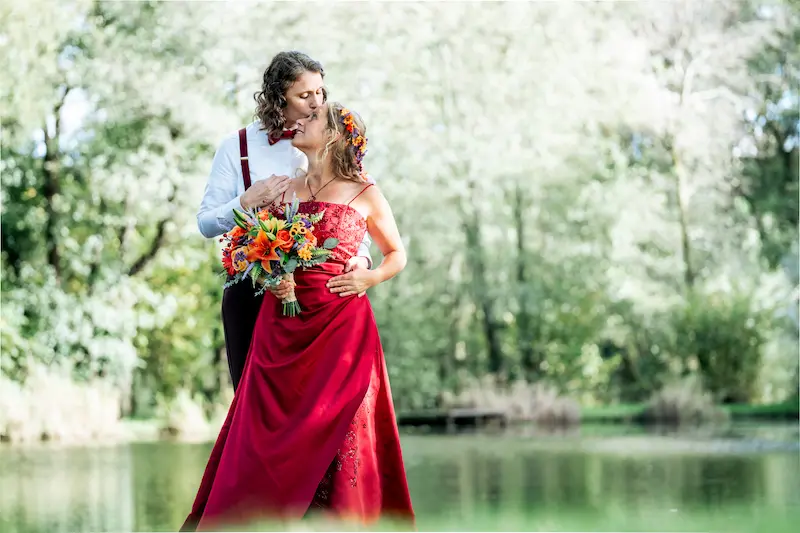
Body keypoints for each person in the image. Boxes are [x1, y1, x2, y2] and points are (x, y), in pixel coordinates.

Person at [180, 101, 415, 531]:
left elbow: (396, 254)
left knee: (346, 427)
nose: (300, 121)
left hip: (343, 327)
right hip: (282, 326)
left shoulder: (365, 191)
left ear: (332, 136)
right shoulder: (285, 189)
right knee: (265, 428)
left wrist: (369, 278)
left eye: (311, 119)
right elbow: (261, 248)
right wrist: (274, 278)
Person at [197, 51, 373, 390]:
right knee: (254, 402)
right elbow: (205, 223)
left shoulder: (329, 138)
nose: (316, 103)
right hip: (251, 291)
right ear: (278, 98)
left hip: (313, 297)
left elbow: (351, 213)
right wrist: (246, 201)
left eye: (320, 92)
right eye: (304, 95)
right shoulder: (237, 147)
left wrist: (360, 260)